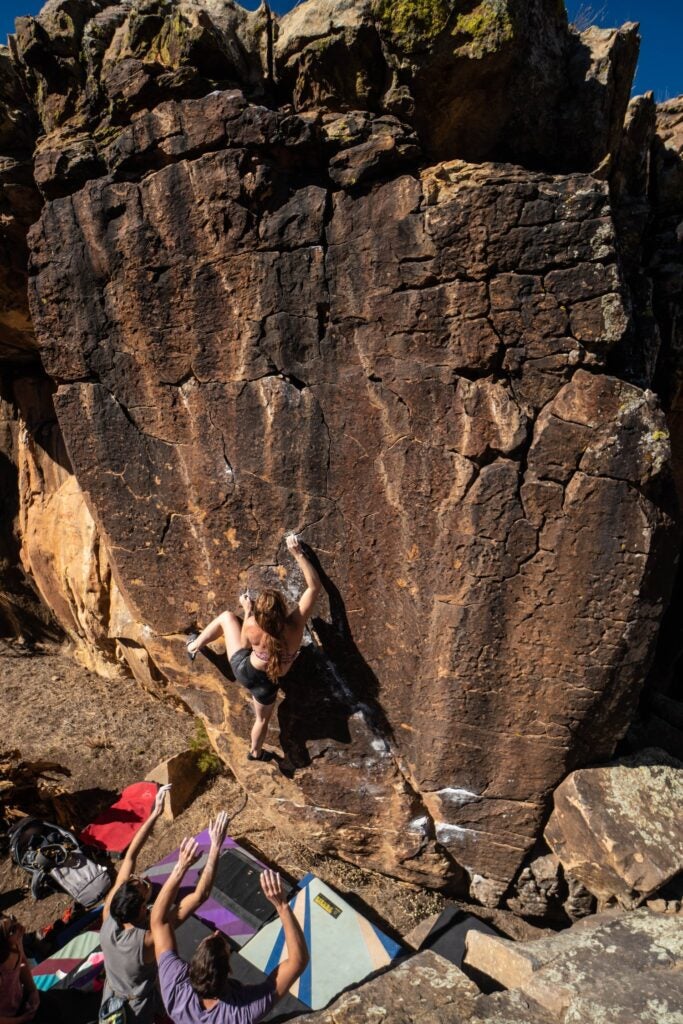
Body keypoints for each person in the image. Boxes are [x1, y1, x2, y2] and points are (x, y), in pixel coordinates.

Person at [100, 786, 229, 1024]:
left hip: (112, 995)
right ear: (140, 909)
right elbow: (200, 896)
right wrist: (216, 847)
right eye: (143, 887)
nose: (144, 880)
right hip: (136, 1006)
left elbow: (129, 857)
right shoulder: (149, 939)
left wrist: (155, 813)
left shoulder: (109, 911)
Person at [187, 533, 322, 761]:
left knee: (227, 617)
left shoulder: (252, 624)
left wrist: (247, 611)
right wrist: (297, 553)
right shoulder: (295, 624)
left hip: (247, 671)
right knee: (262, 720)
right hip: (268, 685)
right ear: (281, 610)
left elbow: (241, 645)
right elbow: (314, 587)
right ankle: (255, 752)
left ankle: (194, 646)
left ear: (261, 616)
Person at [150, 838, 308, 1024]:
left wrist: (181, 866)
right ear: (229, 971)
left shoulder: (174, 989)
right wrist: (281, 905)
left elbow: (158, 924)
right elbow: (298, 961)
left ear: (192, 968)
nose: (216, 933)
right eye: (224, 947)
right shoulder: (241, 1013)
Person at [0, 913, 96, 1023]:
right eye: (12, 929)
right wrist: (20, 1020)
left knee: (62, 1005)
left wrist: (33, 991)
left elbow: (23, 963)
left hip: (23, 1000)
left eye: (12, 919)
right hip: (11, 1018)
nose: (18, 927)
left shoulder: (14, 942)